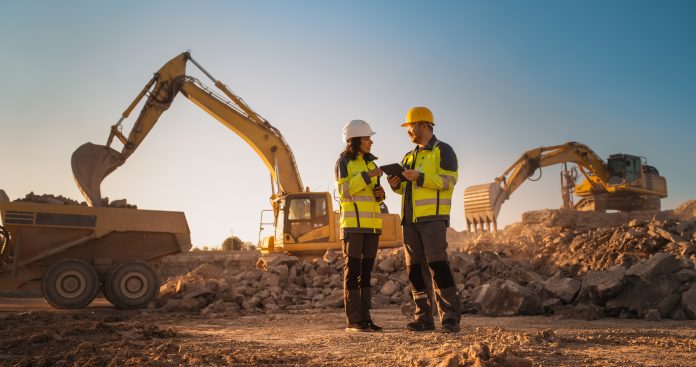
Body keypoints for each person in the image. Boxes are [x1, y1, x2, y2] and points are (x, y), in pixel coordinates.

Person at [387, 106, 461, 333]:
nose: (408, 131)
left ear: (423, 124)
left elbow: (449, 181)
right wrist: (396, 186)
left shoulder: (443, 150)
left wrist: (421, 177)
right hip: (409, 221)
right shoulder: (408, 156)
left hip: (432, 219)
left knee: (438, 265)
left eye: (410, 126)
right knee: (415, 270)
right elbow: (406, 191)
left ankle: (449, 318)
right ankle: (424, 318)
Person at [334, 119, 386, 332]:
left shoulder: (371, 164)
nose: (371, 142)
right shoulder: (343, 162)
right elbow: (344, 192)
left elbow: (376, 197)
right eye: (367, 138)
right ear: (354, 140)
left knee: (366, 274)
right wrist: (367, 177)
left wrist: (380, 194)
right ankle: (353, 320)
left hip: (372, 227)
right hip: (353, 227)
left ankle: (365, 318)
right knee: (352, 271)